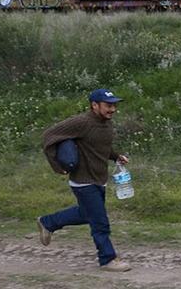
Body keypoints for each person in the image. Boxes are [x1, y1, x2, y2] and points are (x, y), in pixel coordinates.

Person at [36, 88, 132, 272]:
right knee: (100, 222)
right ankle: (107, 259)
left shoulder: (106, 123)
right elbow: (49, 136)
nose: (112, 109)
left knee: (86, 214)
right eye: (108, 105)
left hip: (99, 179)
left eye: (114, 105)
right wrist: (57, 165)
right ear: (94, 105)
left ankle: (47, 222)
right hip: (83, 181)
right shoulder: (81, 122)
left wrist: (116, 156)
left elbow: (100, 147)